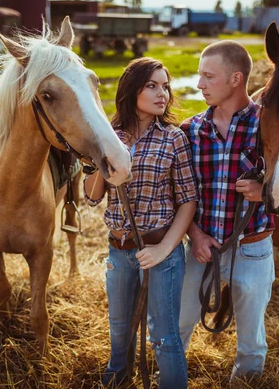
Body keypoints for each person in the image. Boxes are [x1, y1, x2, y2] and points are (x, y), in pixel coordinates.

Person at [179, 40, 279, 383]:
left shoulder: (269, 124)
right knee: (177, 325)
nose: (199, 85)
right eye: (199, 76)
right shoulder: (191, 130)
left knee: (252, 340)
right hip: (201, 251)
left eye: (208, 76)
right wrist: (194, 235)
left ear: (236, 79)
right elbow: (180, 196)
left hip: (252, 249)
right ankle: (168, 377)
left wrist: (266, 193)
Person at [84, 57, 198, 389]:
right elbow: (92, 196)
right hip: (119, 251)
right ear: (132, 89)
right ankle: (117, 381)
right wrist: (99, 166)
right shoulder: (109, 137)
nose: (162, 93)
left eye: (165, 86)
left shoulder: (173, 138)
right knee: (119, 330)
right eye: (152, 85)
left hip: (162, 250)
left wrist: (164, 249)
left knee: (163, 337)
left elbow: (188, 200)